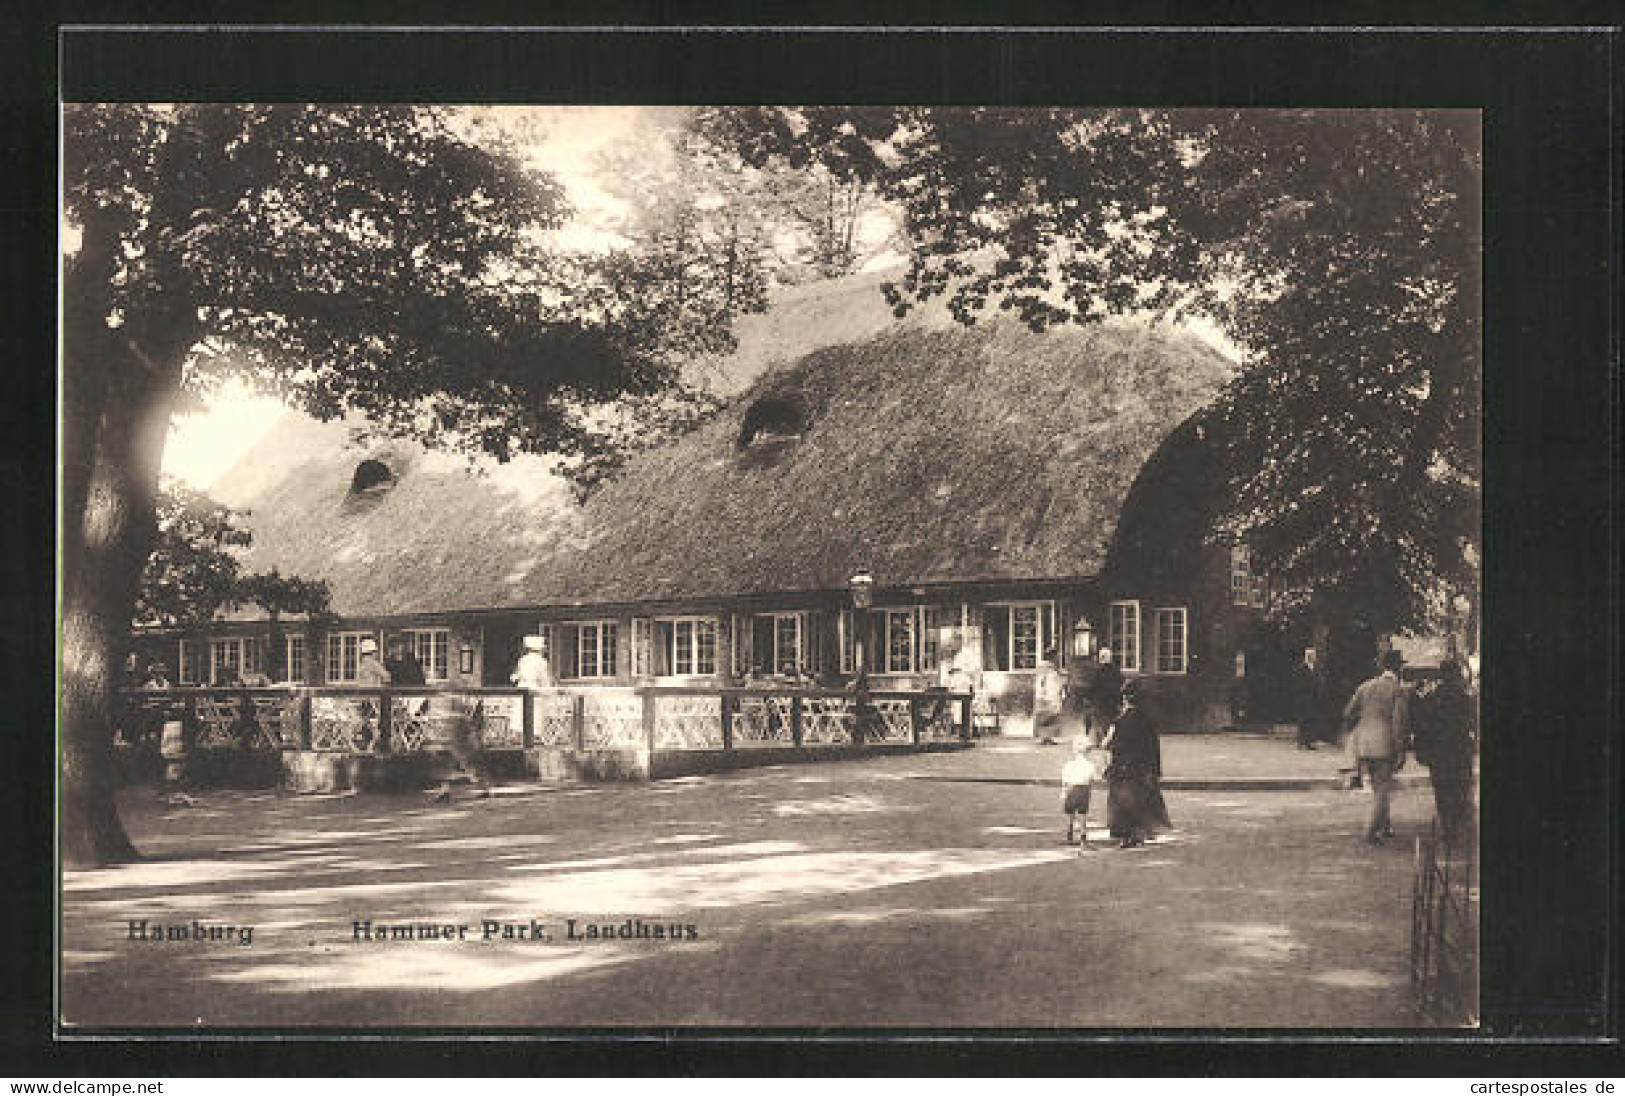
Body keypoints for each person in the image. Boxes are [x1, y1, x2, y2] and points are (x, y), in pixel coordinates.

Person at [1342, 649, 1411, 846]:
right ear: (1399, 667)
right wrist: (1401, 748)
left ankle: (1385, 826)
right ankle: (1370, 832)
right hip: (1385, 744)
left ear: (1382, 666)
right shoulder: (1397, 690)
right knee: (1382, 788)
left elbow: (1348, 712)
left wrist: (1358, 730)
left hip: (1364, 744)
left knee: (1377, 786)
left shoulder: (1366, 686)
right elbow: (1399, 723)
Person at [1411, 657, 1476, 849]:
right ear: (1457, 675)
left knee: (1442, 790)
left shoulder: (1432, 698)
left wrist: (1423, 749)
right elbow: (1473, 723)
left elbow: (1422, 725)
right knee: (1459, 788)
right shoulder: (1466, 698)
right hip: (1460, 751)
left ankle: (1448, 827)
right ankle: (1456, 827)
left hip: (1438, 752)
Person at [1102, 678, 1170, 848]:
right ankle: (1142, 831)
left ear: (1126, 699)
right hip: (1143, 767)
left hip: (1125, 767)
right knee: (1143, 798)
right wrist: (1155, 769)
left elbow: (1113, 745)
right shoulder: (1148, 720)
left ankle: (1128, 835)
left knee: (1125, 801)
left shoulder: (1122, 721)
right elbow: (1154, 747)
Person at [1060, 733, 1103, 847]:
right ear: (1087, 752)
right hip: (1083, 790)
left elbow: (1065, 779)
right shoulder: (1090, 765)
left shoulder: (1069, 765)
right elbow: (1095, 778)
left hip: (1071, 789)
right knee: (1082, 814)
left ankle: (1069, 832)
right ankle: (1083, 835)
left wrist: (1063, 792)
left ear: (1074, 751)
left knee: (1070, 814)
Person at [1292, 647, 1333, 750]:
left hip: (1313, 699)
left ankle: (1309, 741)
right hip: (1304, 698)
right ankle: (1302, 742)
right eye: (1311, 656)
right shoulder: (1302, 668)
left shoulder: (1316, 668)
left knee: (1312, 720)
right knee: (1303, 720)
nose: (1313, 658)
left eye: (1314, 656)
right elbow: (1298, 683)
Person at [1086, 648, 1122, 738]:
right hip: (1113, 701)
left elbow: (1093, 686)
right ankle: (1111, 738)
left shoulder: (1099, 671)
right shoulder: (1117, 671)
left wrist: (1088, 698)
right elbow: (1121, 685)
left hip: (1100, 701)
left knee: (1100, 720)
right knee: (1111, 721)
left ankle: (1102, 738)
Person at [1032, 647, 1065, 745]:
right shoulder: (1044, 668)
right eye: (1056, 656)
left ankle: (1048, 737)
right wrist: (1042, 694)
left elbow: (1057, 681)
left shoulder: (1054, 668)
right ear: (1051, 657)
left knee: (1052, 717)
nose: (1058, 658)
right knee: (1045, 716)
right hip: (1047, 696)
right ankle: (1043, 737)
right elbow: (1041, 682)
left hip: (1053, 695)